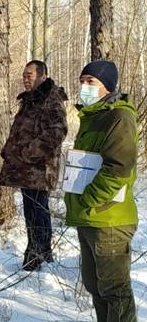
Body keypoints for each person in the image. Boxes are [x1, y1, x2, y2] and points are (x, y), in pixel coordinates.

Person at [65, 60, 138, 322]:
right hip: (90, 216)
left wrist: (88, 198)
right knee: (95, 286)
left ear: (107, 85)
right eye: (82, 81)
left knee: (114, 290)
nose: (84, 86)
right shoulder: (93, 115)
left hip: (109, 218)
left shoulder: (118, 117)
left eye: (91, 81)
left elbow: (119, 167)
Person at [0, 60, 68, 271]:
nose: (25, 79)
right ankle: (38, 255)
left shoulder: (51, 99)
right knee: (32, 212)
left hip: (39, 169)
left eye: (30, 75)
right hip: (27, 170)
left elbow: (57, 131)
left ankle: (39, 257)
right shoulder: (31, 99)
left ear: (43, 76)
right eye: (24, 75)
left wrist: (28, 153)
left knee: (38, 212)